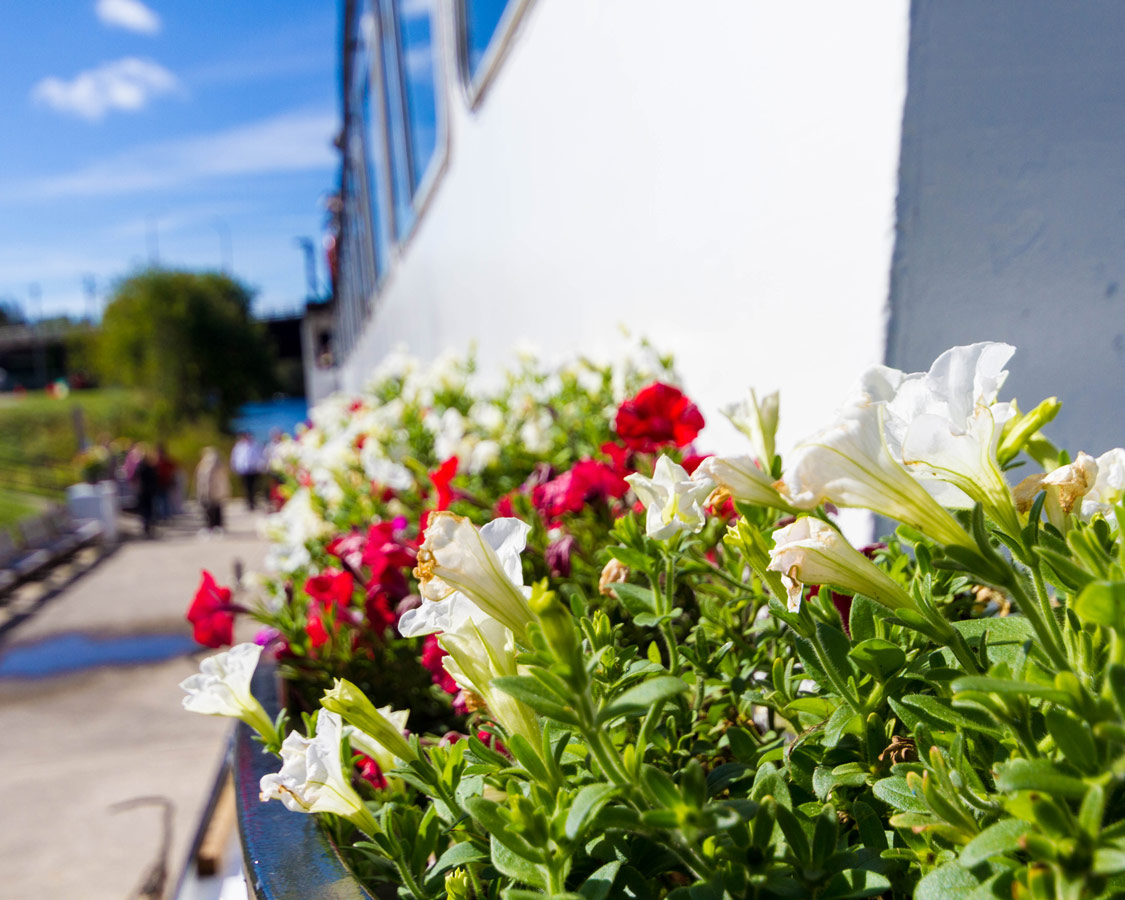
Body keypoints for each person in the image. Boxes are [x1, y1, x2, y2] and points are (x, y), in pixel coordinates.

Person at [195, 447, 230, 534]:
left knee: (215, 509)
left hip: (213, 492)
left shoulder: (214, 466)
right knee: (210, 510)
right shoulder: (204, 465)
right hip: (210, 492)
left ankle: (215, 526)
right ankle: (212, 526)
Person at [230, 432, 266, 510]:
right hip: (244, 470)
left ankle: (253, 502)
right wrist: (234, 467)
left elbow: (261, 456)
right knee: (246, 487)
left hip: (254, 469)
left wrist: (261, 466)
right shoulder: (239, 446)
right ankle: (249, 502)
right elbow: (235, 457)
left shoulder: (256, 445)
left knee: (254, 487)